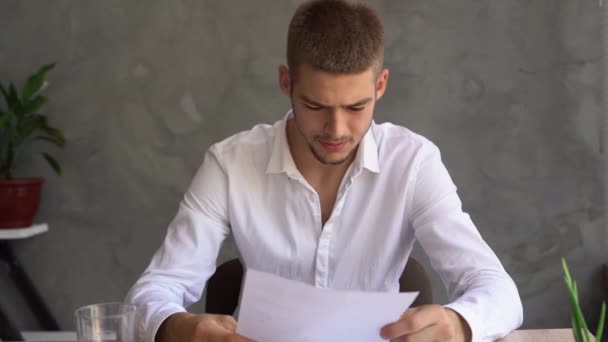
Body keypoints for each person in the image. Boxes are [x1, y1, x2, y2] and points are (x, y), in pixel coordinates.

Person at [125, 1, 523, 341]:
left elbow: (499, 291)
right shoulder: (229, 164)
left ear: (381, 85)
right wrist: (179, 328)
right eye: (316, 106)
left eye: (356, 107)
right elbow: (154, 290)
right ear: (286, 82)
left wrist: (459, 323)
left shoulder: (414, 162)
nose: (336, 130)